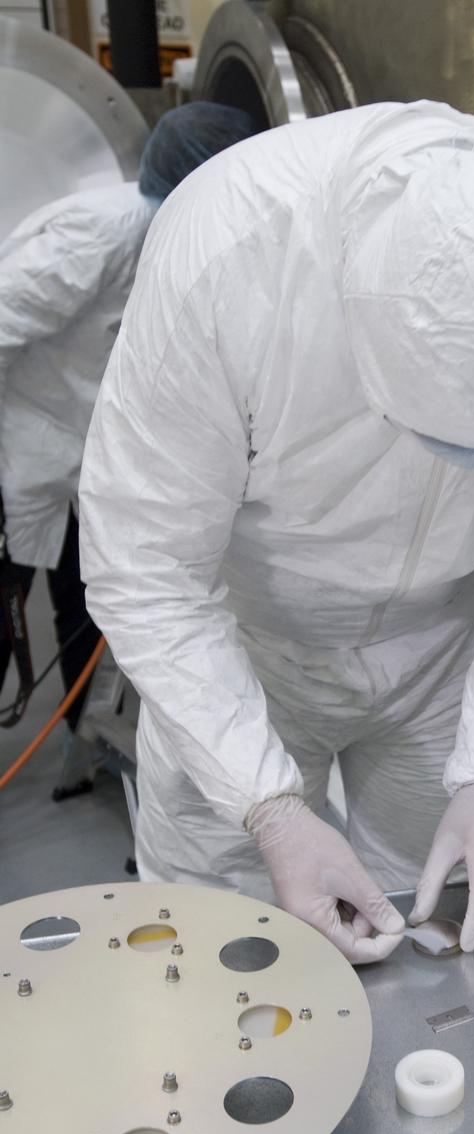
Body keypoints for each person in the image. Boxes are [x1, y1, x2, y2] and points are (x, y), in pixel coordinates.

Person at [79, 100, 474, 962]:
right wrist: (267, 807)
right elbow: (147, 569)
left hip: (439, 656)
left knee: (436, 928)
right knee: (218, 947)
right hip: (245, 650)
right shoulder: (229, 253)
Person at [0, 103, 259, 742]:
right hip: (23, 441)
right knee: (3, 609)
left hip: (86, 450)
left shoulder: (190, 233)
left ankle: (77, 731)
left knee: (85, 598)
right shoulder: (102, 233)